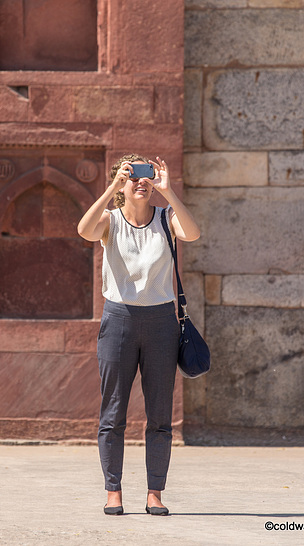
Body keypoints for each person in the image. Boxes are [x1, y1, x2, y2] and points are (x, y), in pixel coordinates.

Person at [77, 153, 201, 516]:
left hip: (162, 322)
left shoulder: (166, 218)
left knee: (160, 414)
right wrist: (110, 188)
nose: (140, 181)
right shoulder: (110, 221)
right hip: (118, 320)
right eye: (132, 176)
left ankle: (154, 493)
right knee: (112, 411)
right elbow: (84, 230)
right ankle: (113, 490)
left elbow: (192, 233)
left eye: (146, 175)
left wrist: (169, 191)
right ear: (121, 185)